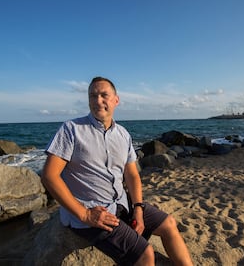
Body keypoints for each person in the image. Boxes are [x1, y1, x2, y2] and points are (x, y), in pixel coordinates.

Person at [41, 76, 193, 265]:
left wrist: (138, 207)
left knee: (169, 224)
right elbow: (49, 175)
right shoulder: (71, 129)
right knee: (145, 254)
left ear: (116, 100)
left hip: (121, 202)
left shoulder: (122, 134)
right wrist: (84, 214)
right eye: (93, 96)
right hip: (93, 209)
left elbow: (131, 174)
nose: (98, 101)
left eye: (104, 95)